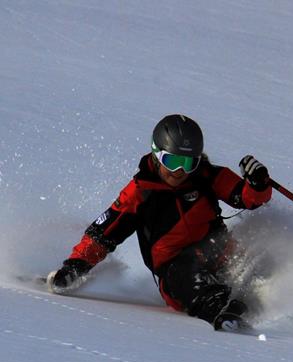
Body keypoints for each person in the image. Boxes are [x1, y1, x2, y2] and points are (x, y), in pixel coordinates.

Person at [47, 114, 272, 331]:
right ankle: (217, 307)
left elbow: (245, 197)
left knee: (259, 257)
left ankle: (256, 294)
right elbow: (104, 233)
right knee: (185, 275)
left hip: (219, 252)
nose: (180, 171)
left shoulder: (207, 176)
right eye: (172, 161)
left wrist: (258, 184)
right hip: (175, 272)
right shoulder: (141, 192)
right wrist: (74, 267)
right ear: (156, 154)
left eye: (188, 163)